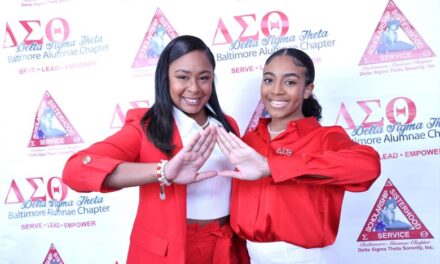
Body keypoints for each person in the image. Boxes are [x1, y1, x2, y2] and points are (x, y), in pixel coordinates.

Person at [62, 35, 248, 264]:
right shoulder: (146, 127)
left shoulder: (228, 124)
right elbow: (75, 170)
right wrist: (163, 171)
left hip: (225, 246)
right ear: (165, 79)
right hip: (170, 252)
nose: (194, 88)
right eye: (182, 77)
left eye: (204, 78)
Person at [215, 48, 381, 263]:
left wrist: (272, 166)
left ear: (307, 89)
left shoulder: (324, 138)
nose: (276, 90)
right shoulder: (247, 142)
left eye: (290, 82)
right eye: (268, 80)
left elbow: (368, 166)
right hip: (251, 255)